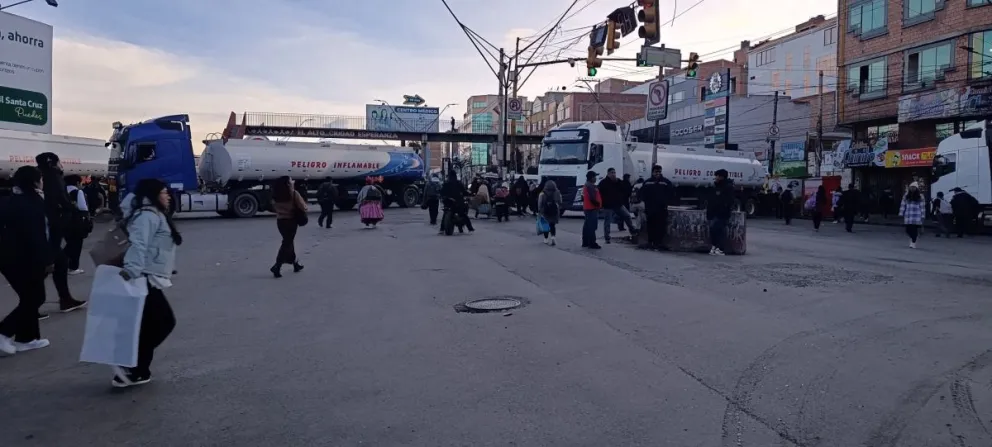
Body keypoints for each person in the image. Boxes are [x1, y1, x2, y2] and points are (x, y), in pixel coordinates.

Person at [111, 178, 181, 387]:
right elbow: (139, 244)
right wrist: (132, 271)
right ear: (152, 195)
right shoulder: (147, 216)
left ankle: (137, 370)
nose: (168, 195)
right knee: (164, 322)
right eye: (163, 192)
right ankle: (130, 366)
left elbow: (155, 247)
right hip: (143, 277)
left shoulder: (153, 214)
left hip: (149, 275)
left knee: (149, 325)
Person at [0, 166, 55, 356]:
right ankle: (4, 332)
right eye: (40, 178)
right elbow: (37, 236)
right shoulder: (32, 203)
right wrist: (47, 260)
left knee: (29, 297)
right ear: (34, 181)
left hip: (9, 257)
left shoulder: (11, 200)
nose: (42, 181)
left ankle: (27, 338)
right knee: (35, 297)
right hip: (24, 258)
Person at [35, 152, 86, 314]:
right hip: (52, 226)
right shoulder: (54, 177)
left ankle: (65, 299)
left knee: (60, 262)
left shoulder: (40, 175)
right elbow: (61, 200)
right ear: (54, 163)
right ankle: (29, 306)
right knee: (47, 265)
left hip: (44, 225)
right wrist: (73, 210)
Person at [270, 176, 307, 278]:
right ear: (288, 183)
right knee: (287, 243)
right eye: (291, 180)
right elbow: (303, 207)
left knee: (288, 241)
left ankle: (295, 264)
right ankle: (277, 266)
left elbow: (273, 207)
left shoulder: (275, 195)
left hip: (280, 221)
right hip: (291, 221)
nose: (293, 181)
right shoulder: (294, 194)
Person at [638, 165, 673, 249]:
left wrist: (666, 203)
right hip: (650, 209)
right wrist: (642, 203)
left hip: (662, 208)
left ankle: (659, 243)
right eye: (656, 172)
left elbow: (671, 193)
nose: (658, 173)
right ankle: (651, 242)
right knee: (651, 226)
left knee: (661, 226)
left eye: (659, 172)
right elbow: (642, 194)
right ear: (653, 172)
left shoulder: (666, 182)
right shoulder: (647, 182)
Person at [63, 175, 92, 274]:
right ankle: (72, 267)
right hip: (77, 222)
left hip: (64, 221)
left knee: (70, 243)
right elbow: (83, 208)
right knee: (76, 245)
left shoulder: (62, 192)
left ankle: (63, 263)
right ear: (77, 183)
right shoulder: (78, 192)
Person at [598, 168, 634, 244]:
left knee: (627, 215)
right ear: (608, 174)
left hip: (618, 204)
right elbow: (599, 193)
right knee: (607, 222)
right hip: (608, 205)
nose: (613, 174)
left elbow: (625, 189)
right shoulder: (603, 183)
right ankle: (607, 238)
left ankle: (633, 231)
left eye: (614, 172)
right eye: (612, 173)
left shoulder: (618, 181)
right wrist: (601, 205)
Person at [707, 169, 734, 256]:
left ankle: (720, 248)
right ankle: (714, 246)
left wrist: (724, 209)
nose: (716, 177)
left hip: (722, 213)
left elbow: (729, 201)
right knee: (713, 229)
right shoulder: (715, 186)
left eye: (718, 176)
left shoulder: (728, 187)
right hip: (714, 212)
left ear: (722, 177)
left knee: (718, 229)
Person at [899, 182, 925, 249]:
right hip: (908, 215)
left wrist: (923, 215)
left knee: (914, 229)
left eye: (914, 187)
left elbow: (922, 207)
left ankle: (913, 242)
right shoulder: (906, 195)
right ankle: (913, 238)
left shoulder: (920, 196)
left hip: (916, 215)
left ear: (916, 188)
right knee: (907, 230)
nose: (912, 188)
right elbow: (903, 204)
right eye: (911, 187)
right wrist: (901, 213)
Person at [581, 171, 602, 249]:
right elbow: (592, 198)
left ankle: (585, 242)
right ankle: (592, 243)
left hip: (588, 208)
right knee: (592, 226)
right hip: (591, 208)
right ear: (591, 177)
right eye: (594, 177)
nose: (595, 178)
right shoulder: (590, 186)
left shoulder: (587, 185)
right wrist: (597, 205)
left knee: (587, 225)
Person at [538, 180, 562, 246]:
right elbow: (560, 201)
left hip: (545, 211)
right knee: (552, 225)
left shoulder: (542, 193)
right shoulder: (557, 192)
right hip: (554, 211)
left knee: (545, 226)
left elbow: (540, 203)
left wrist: (539, 210)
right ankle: (553, 237)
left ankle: (546, 239)